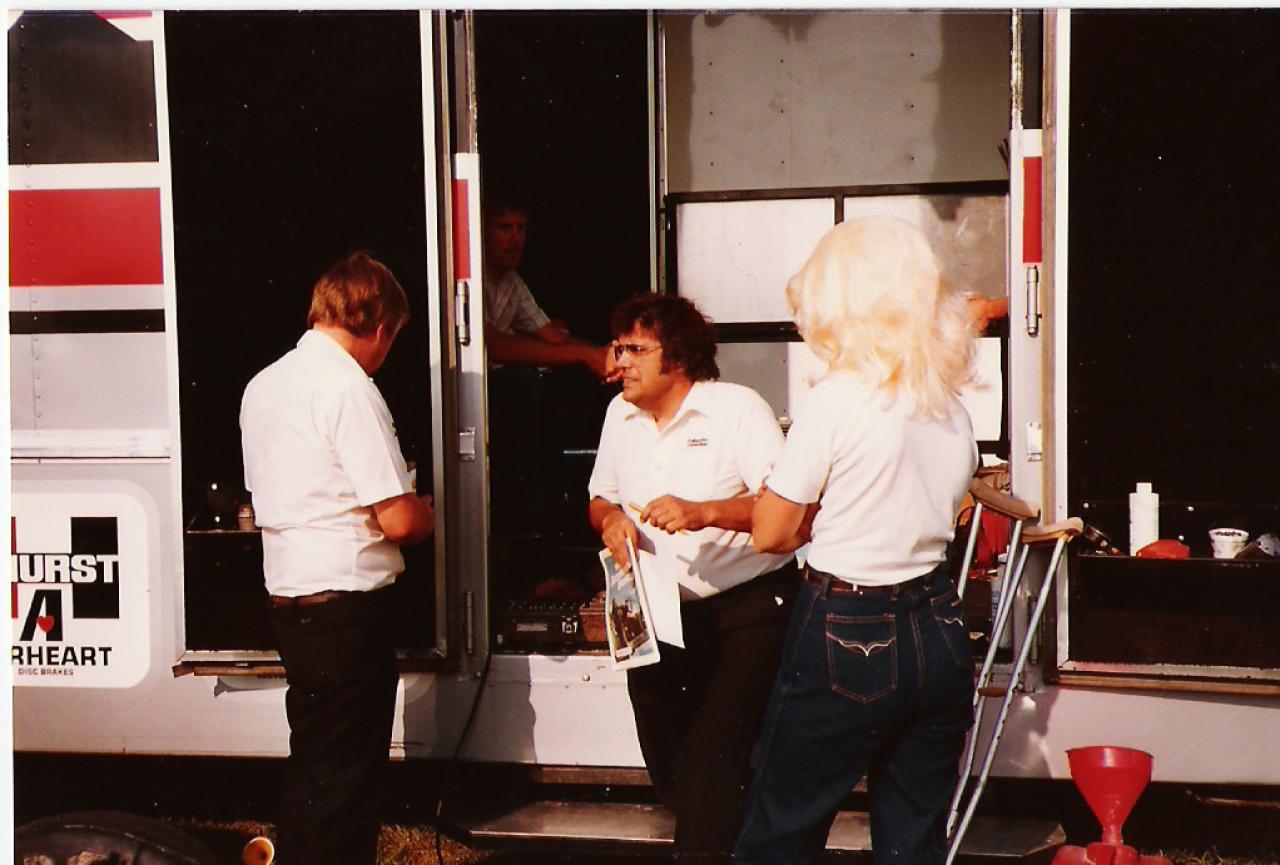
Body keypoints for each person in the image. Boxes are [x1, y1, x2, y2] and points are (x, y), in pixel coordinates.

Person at [732, 217, 979, 865]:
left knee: (781, 830)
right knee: (913, 839)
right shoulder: (950, 405)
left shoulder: (836, 399)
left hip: (847, 623)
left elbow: (770, 532)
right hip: (939, 623)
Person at [587, 294, 802, 865]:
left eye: (636, 349)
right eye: (618, 348)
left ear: (678, 356)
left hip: (745, 610)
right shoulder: (618, 416)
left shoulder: (738, 410)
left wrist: (704, 511)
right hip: (655, 611)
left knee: (714, 759)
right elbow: (600, 496)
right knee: (667, 754)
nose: (620, 361)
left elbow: (786, 510)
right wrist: (610, 521)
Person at [240, 251, 435, 865]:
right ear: (379, 328)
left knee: (314, 771)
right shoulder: (349, 388)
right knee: (346, 788)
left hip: (292, 601)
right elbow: (399, 521)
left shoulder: (264, 384)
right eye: (391, 340)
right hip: (348, 611)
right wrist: (428, 510)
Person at [481, 186, 614, 379]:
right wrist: (585, 354)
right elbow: (495, 347)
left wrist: (602, 353)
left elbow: (553, 336)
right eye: (504, 228)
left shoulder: (512, 281)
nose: (516, 239)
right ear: (482, 233)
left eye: (521, 228)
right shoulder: (470, 281)